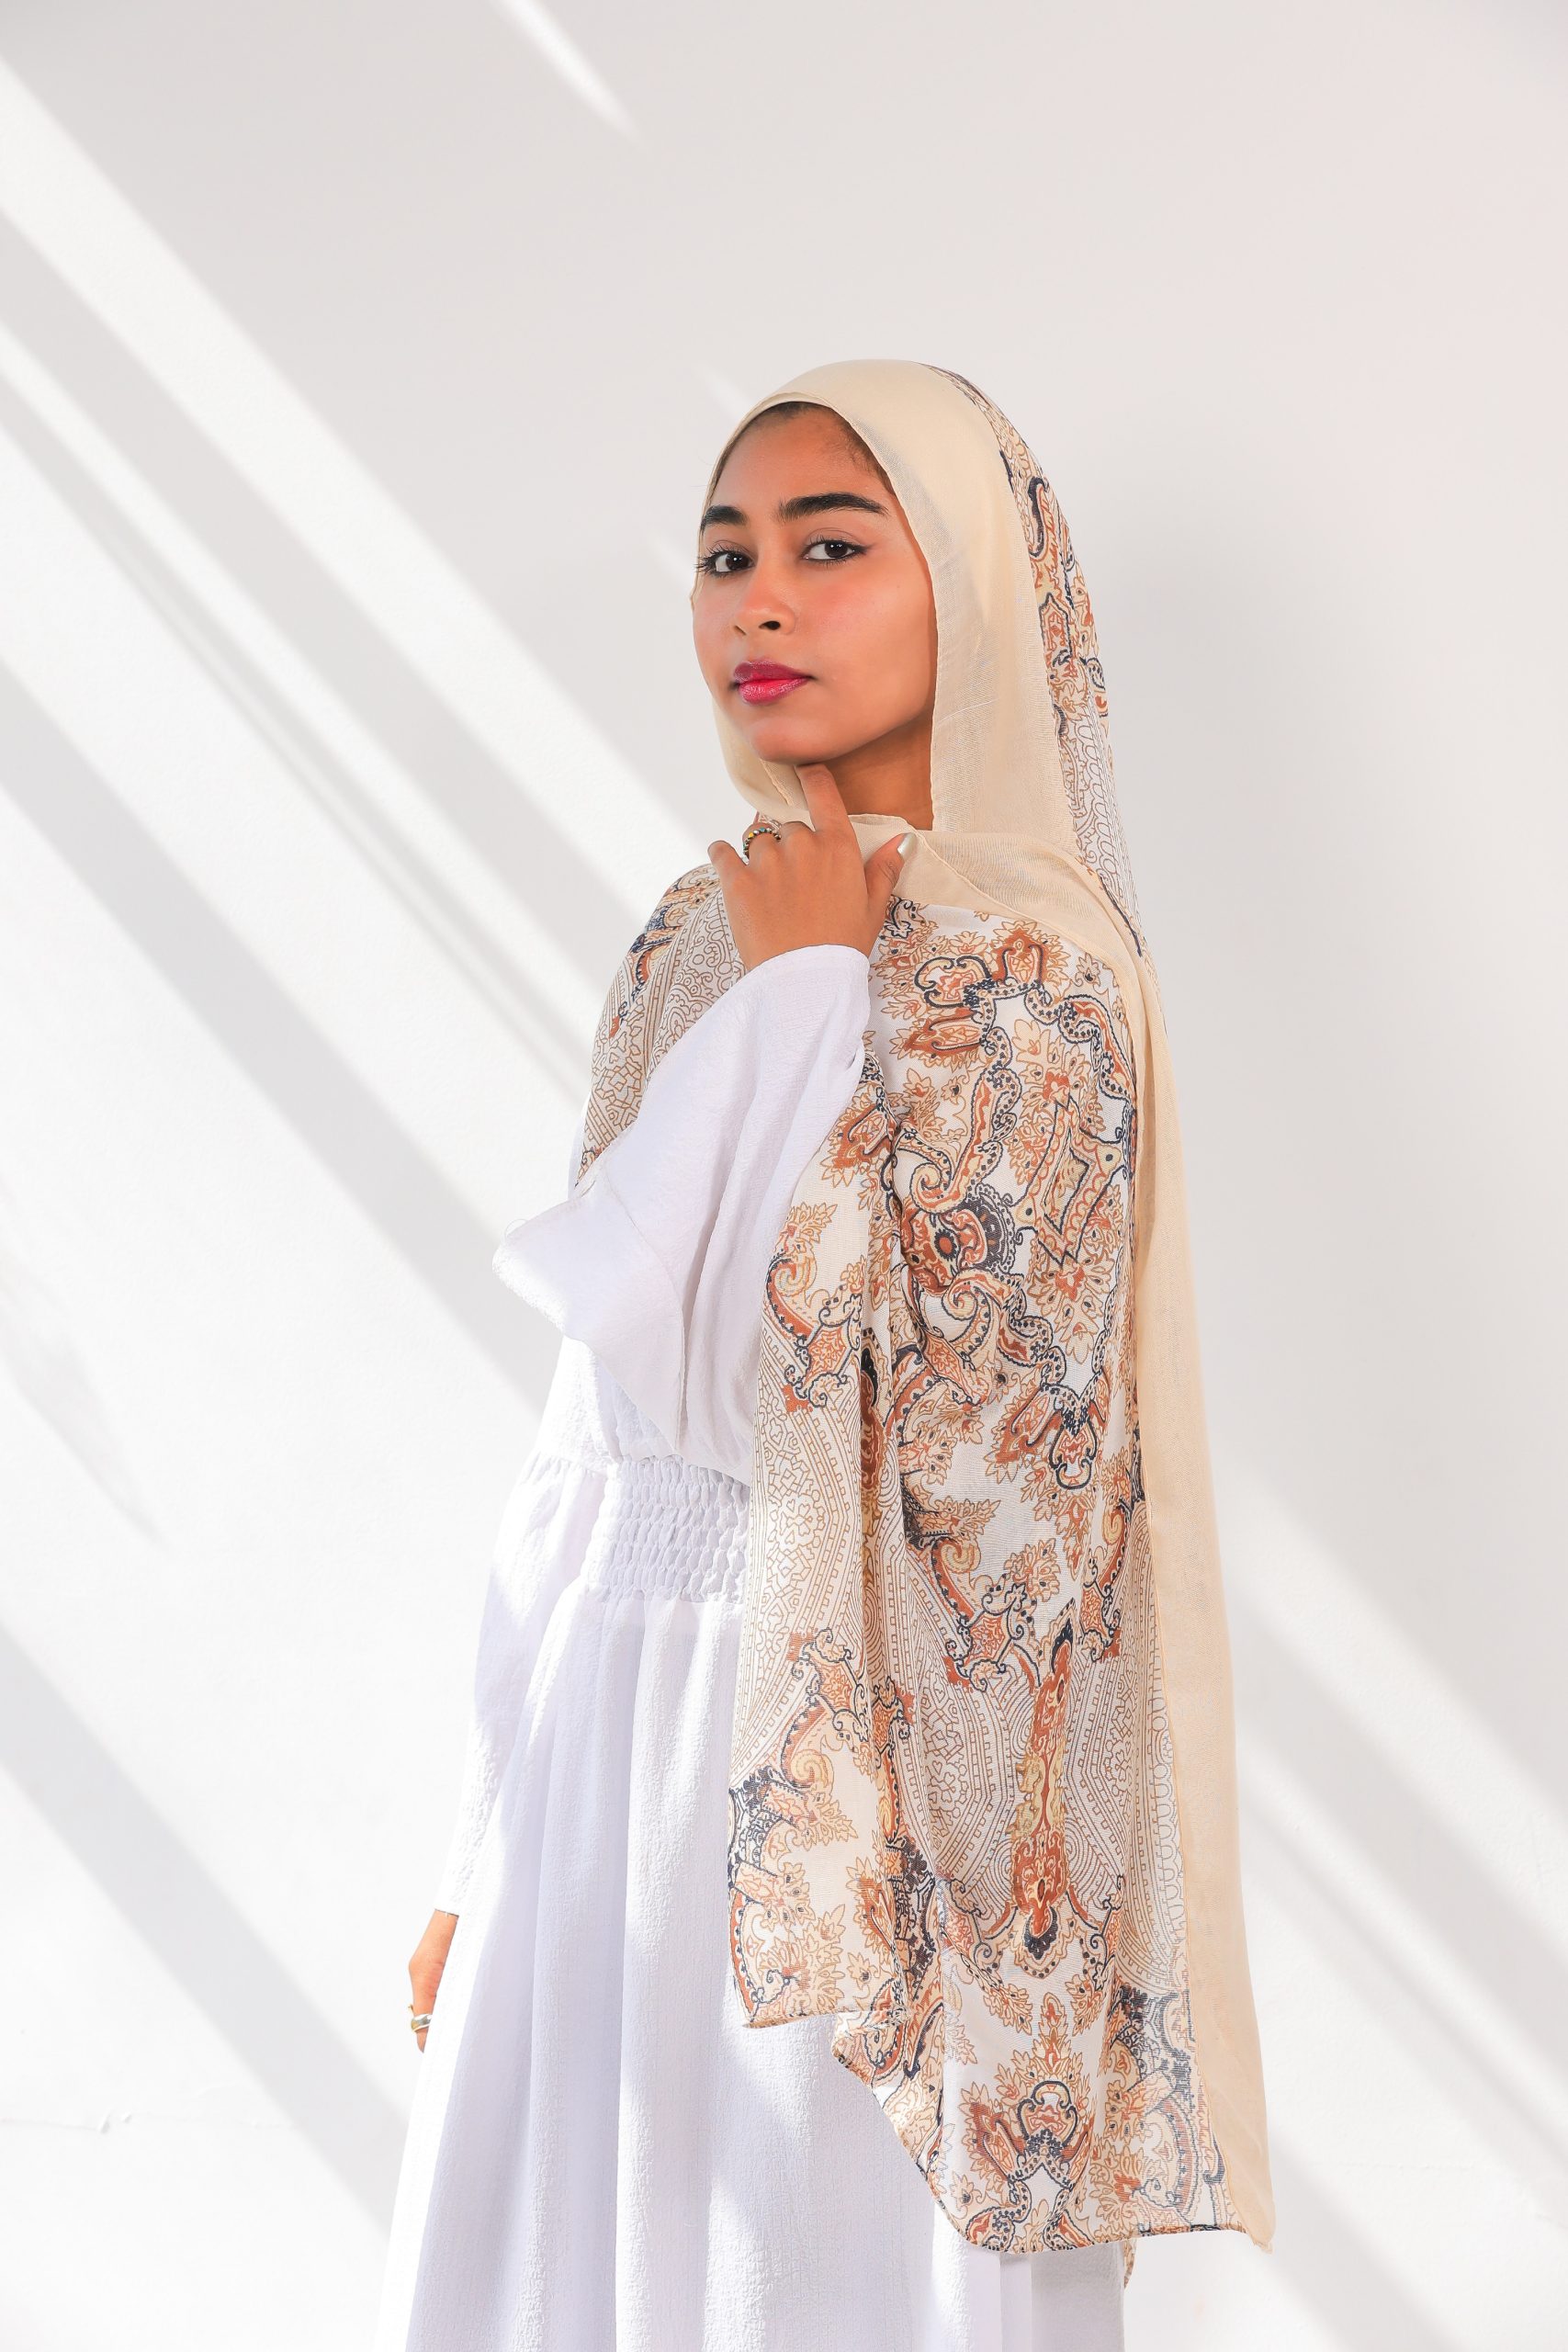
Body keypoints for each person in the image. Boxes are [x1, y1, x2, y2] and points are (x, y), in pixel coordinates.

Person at [373, 359, 1273, 2352]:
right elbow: (597, 1419)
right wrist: (477, 1829)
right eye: (724, 556)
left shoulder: (1040, 973)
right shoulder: (694, 930)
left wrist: (805, 1002)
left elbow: (833, 1407)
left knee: (823, 2273)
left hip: (872, 1765)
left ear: (971, 584)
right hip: (614, 1728)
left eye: (832, 545)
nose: (758, 599)